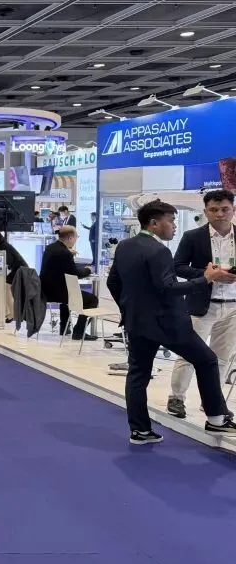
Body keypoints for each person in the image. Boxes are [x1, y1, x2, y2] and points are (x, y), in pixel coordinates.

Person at [107, 200, 236, 444]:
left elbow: (113, 282)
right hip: (168, 323)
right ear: (154, 223)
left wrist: (129, 309)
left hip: (138, 321)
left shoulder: (125, 245)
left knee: (138, 374)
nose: (174, 226)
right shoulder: (159, 251)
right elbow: (168, 288)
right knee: (208, 360)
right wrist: (206, 278)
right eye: (171, 220)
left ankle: (140, 431)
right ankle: (217, 419)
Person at [168, 189, 236, 418]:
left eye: (225, 209)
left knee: (222, 357)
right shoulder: (192, 237)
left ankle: (212, 402)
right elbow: (177, 266)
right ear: (206, 212)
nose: (220, 214)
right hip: (201, 304)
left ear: (233, 210)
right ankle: (176, 398)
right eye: (214, 210)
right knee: (188, 353)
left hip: (233, 305)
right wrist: (207, 275)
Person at [40, 226, 97, 341]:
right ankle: (79, 332)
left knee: (67, 292)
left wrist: (68, 253)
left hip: (44, 289)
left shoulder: (51, 247)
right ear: (70, 238)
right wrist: (88, 270)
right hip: (56, 293)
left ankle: (64, 328)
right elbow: (75, 274)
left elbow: (65, 267)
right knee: (92, 300)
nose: (76, 240)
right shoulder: (64, 253)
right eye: (76, 237)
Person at [0, 232, 27, 322]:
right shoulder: (3, 245)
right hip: (17, 269)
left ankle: (12, 313)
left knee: (6, 287)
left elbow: (7, 261)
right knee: (6, 288)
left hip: (19, 269)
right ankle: (10, 312)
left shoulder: (4, 247)